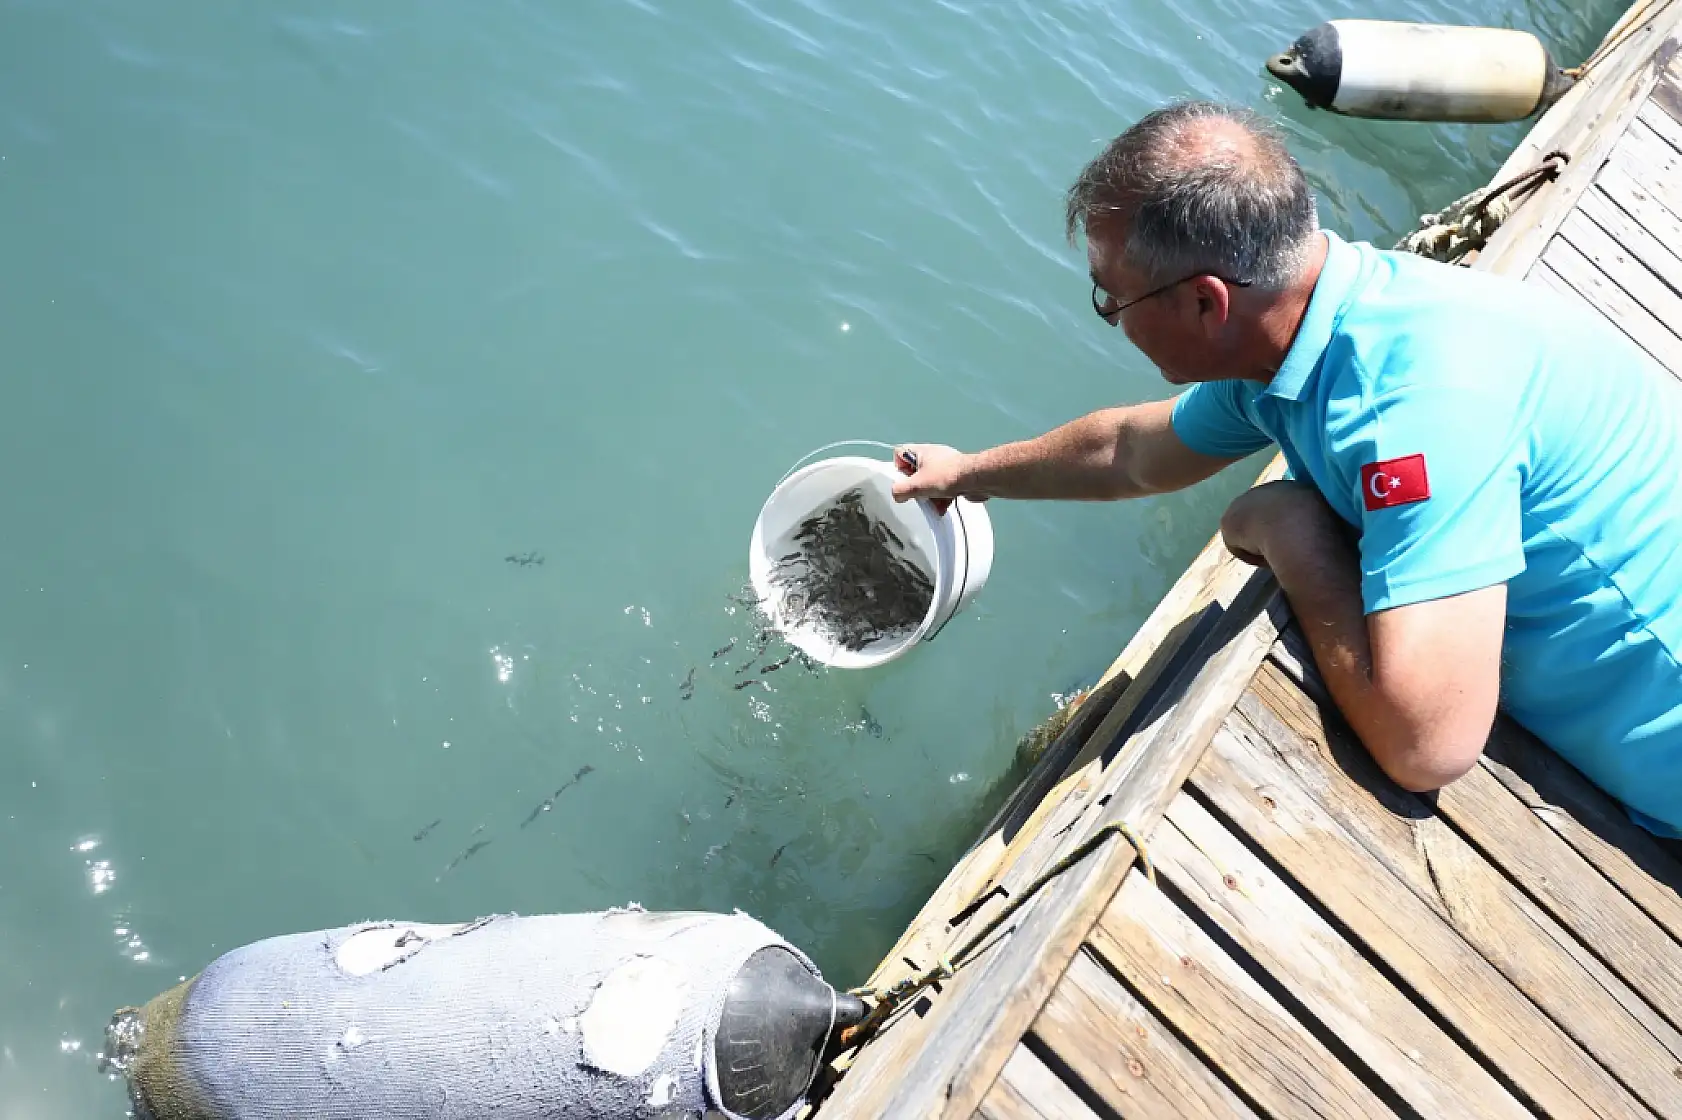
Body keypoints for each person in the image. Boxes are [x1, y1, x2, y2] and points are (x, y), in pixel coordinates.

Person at [892, 99, 1682, 838]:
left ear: (1207, 303)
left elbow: (1429, 745)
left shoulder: (1409, 410)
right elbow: (1131, 452)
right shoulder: (1311, 332)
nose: (1112, 322)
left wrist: (1293, 534)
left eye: (1112, 300)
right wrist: (966, 472)